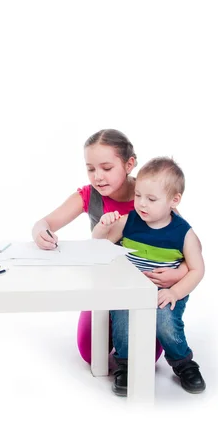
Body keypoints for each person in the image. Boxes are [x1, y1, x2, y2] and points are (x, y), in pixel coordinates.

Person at [32, 129, 188, 364]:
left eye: (106, 168)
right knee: (90, 352)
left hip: (144, 285)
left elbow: (185, 246)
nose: (98, 177)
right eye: (91, 169)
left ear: (129, 164)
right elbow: (45, 222)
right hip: (105, 284)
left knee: (147, 356)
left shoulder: (153, 194)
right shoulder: (89, 195)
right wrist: (40, 231)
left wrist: (179, 273)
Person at [93, 156, 206, 395]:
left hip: (165, 291)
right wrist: (103, 227)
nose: (142, 204)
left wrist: (175, 291)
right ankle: (125, 364)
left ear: (174, 201)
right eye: (138, 196)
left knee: (165, 321)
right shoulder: (129, 221)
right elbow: (99, 245)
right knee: (123, 317)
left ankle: (183, 363)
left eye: (151, 199)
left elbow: (197, 269)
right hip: (130, 289)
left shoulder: (184, 233)